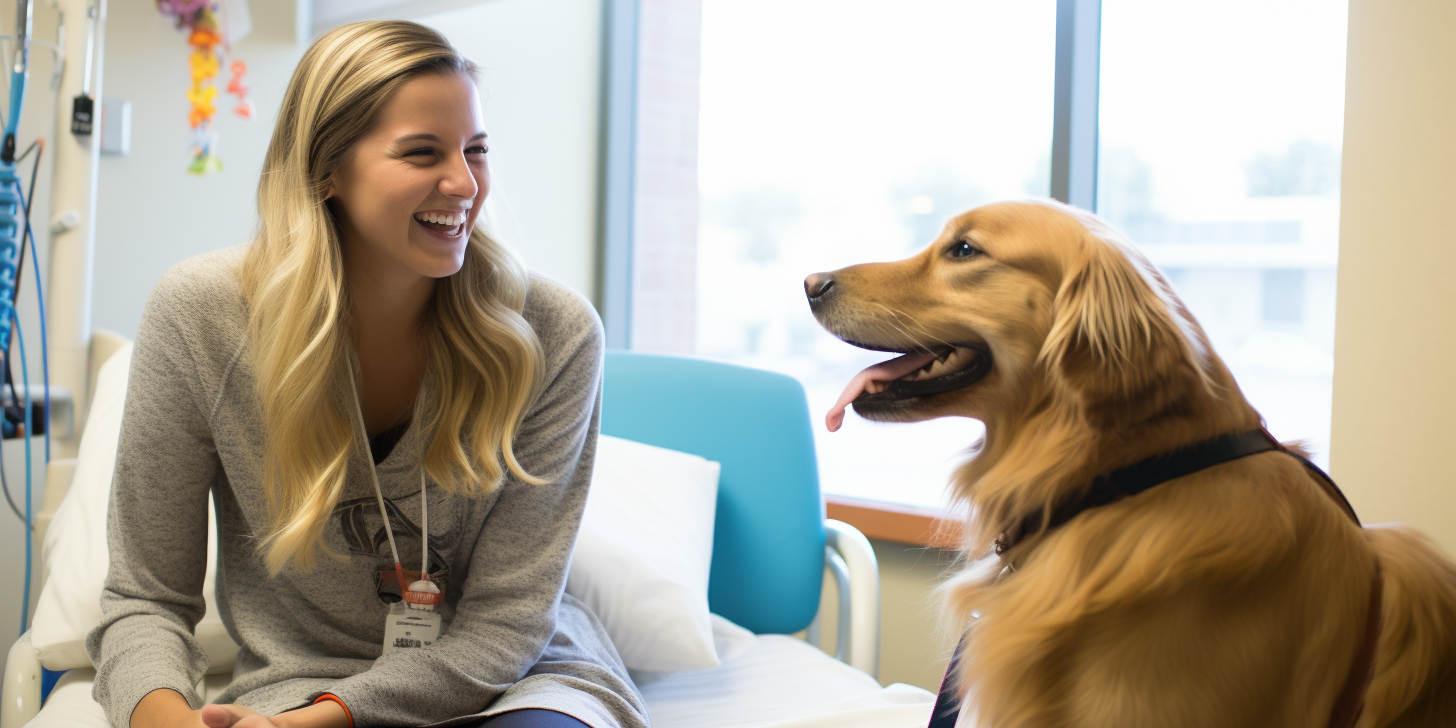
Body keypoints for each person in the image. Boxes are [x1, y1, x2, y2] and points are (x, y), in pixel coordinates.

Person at [84, 21, 647, 728]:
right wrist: (165, 721)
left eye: (476, 151)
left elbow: (508, 623)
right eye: (422, 153)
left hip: (517, 685)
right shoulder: (202, 318)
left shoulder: (553, 335)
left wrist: (332, 719)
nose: (465, 184)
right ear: (326, 171)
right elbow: (145, 599)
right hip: (297, 686)